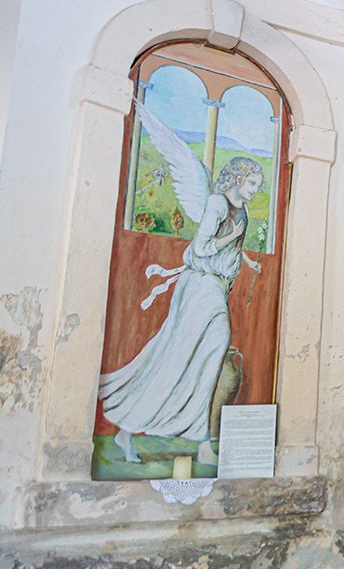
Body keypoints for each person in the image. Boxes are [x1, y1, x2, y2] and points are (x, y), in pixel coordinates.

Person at [99, 156, 264, 466]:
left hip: (217, 287)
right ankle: (145, 432)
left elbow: (230, 245)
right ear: (238, 178)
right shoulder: (216, 203)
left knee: (205, 361)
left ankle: (194, 441)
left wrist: (245, 259)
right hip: (200, 285)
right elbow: (201, 248)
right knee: (180, 356)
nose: (257, 189)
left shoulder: (241, 208)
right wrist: (229, 238)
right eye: (253, 183)